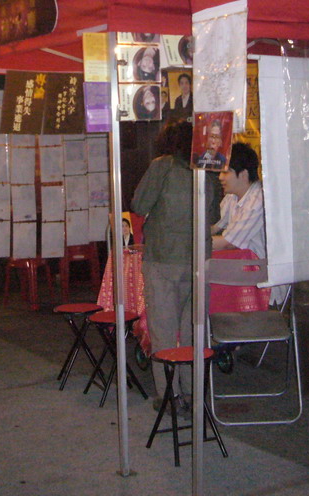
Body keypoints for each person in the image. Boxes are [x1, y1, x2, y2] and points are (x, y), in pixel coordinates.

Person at [131, 121, 220, 412]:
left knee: (164, 332)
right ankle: (195, 393)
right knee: (194, 330)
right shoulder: (207, 170)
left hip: (163, 261)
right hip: (197, 261)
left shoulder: (162, 166)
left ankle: (170, 395)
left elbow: (139, 204)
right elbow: (214, 213)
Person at [212, 143, 266, 257]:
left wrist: (189, 244)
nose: (220, 177)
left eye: (226, 172)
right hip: (241, 262)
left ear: (243, 174)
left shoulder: (257, 201)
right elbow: (214, 226)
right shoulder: (232, 196)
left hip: (258, 269)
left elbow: (228, 243)